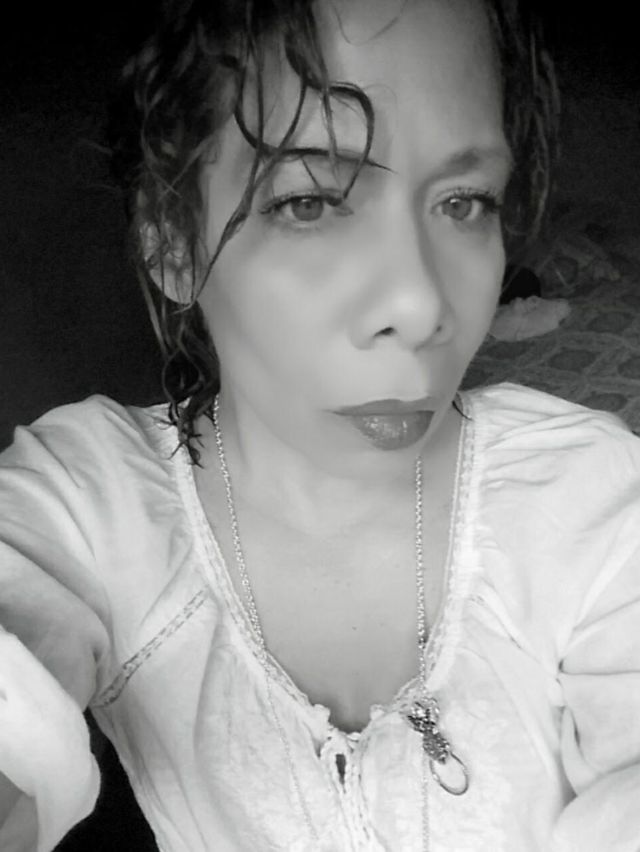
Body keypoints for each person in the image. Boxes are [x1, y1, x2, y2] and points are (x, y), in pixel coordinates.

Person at [1, 0, 639, 850]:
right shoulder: (90, 506)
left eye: (464, 201)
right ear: (173, 242)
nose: (420, 305)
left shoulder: (590, 501)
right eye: (308, 202)